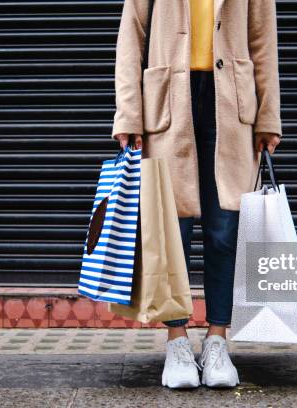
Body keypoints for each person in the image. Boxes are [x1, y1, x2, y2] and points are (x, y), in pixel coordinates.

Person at [111, 0, 282, 389]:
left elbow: (262, 40)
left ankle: (218, 340)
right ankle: (176, 341)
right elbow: (131, 34)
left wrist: (269, 115)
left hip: (232, 101)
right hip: (168, 99)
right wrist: (128, 114)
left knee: (225, 229)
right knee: (173, 231)